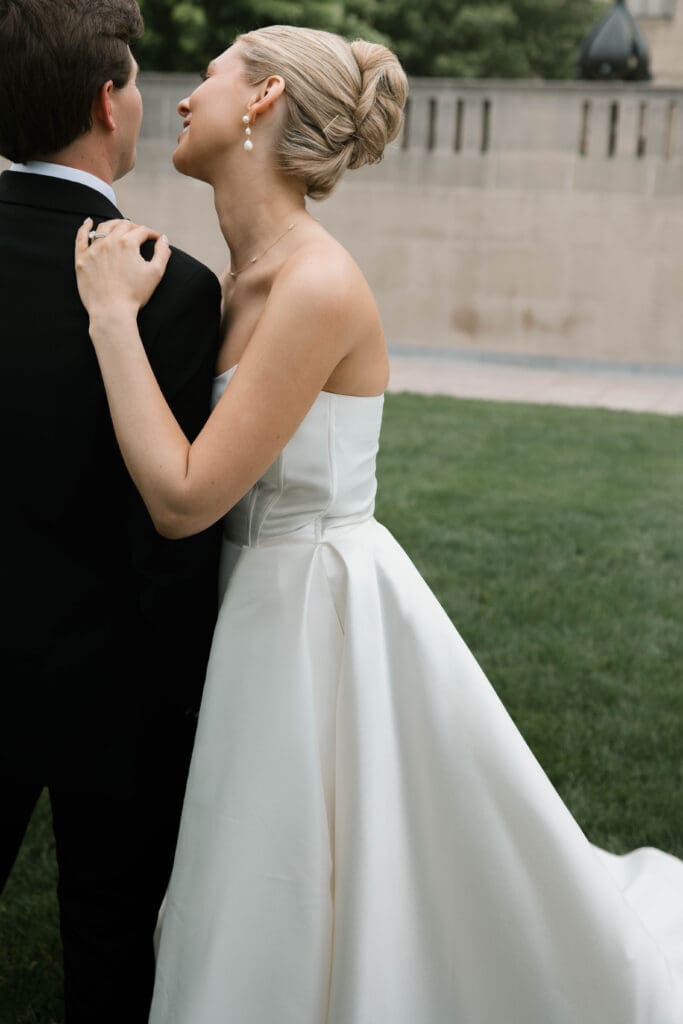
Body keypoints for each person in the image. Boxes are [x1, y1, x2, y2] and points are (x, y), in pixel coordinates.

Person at [74, 24, 683, 1024]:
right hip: (251, 606)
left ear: (262, 98)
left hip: (312, 617)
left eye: (212, 74)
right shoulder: (234, 280)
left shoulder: (315, 283)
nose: (184, 96)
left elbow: (184, 498)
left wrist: (108, 319)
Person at [0, 1, 222, 1021]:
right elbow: (169, 533)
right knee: (110, 936)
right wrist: (185, 689)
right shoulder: (171, 288)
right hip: (116, 683)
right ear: (107, 101)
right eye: (137, 85)